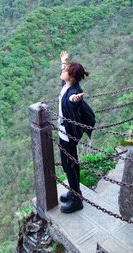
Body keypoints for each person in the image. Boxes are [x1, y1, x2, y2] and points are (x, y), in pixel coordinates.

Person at [57, 51, 89, 213]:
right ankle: (74, 191)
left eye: (65, 71)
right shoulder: (67, 85)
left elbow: (73, 100)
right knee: (71, 164)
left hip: (68, 135)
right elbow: (65, 78)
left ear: (72, 78)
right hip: (64, 133)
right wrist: (64, 61)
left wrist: (76, 100)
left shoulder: (73, 92)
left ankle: (77, 200)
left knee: (69, 165)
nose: (62, 72)